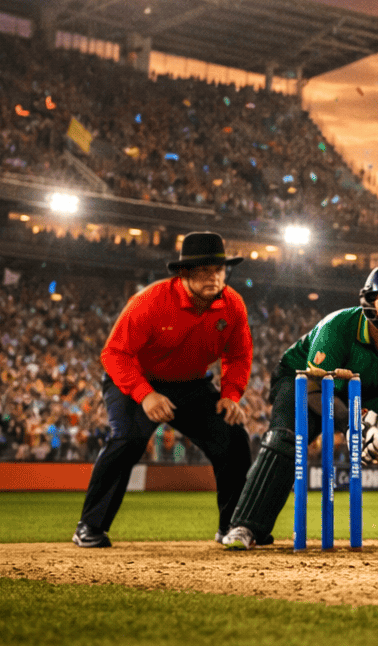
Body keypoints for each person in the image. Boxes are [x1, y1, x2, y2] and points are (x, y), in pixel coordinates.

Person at [221, 265, 378, 549]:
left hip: (370, 390)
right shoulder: (338, 327)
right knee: (287, 437)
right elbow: (315, 387)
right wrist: (353, 424)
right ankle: (246, 527)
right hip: (303, 382)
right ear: (369, 302)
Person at [72, 232, 254, 548]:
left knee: (233, 437)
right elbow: (114, 354)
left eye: (219, 269)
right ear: (184, 273)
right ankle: (90, 527)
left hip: (192, 383)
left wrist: (231, 395)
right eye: (203, 270)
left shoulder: (233, 304)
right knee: (127, 439)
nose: (213, 276)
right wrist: (145, 394)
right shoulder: (151, 301)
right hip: (135, 379)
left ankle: (233, 526)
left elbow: (238, 355)